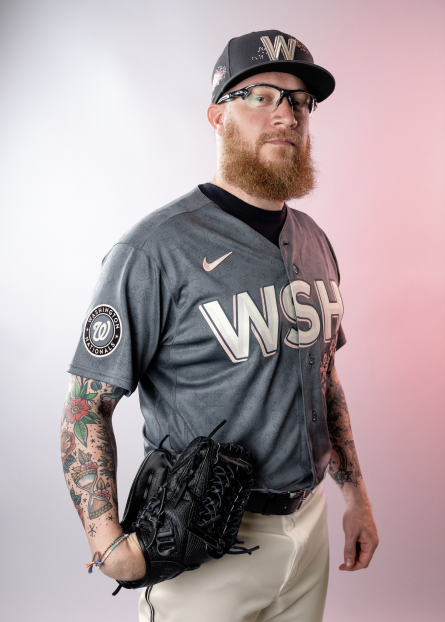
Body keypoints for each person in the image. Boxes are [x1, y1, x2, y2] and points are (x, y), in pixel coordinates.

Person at [60, 29, 378, 621]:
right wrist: (107, 547)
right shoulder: (155, 248)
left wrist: (355, 496)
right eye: (263, 94)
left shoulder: (314, 241)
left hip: (308, 528)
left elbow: (325, 376)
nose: (287, 113)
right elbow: (86, 406)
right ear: (217, 115)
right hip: (204, 537)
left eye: (301, 101)